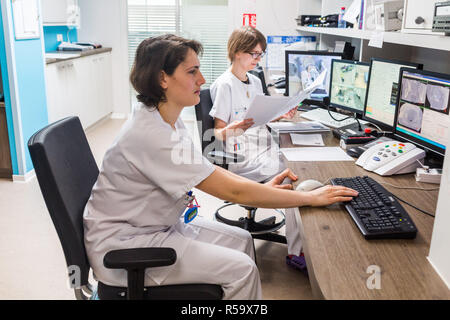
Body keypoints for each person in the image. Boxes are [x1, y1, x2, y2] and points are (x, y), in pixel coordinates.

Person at [83, 34, 358, 300]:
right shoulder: (151, 135)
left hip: (155, 225)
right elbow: (233, 193)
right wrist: (308, 198)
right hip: (127, 247)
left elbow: (207, 169)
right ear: (162, 78)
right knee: (243, 270)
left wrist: (258, 187)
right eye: (192, 72)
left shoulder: (164, 116)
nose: (202, 80)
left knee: (242, 240)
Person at [209, 26, 306, 272]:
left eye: (260, 54)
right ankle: (296, 252)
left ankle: (300, 246)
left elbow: (260, 118)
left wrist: (281, 115)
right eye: (253, 53)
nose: (257, 59)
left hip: (263, 148)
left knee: (296, 163)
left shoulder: (253, 80)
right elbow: (217, 133)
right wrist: (236, 127)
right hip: (241, 156)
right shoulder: (224, 85)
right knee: (293, 176)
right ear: (237, 52)